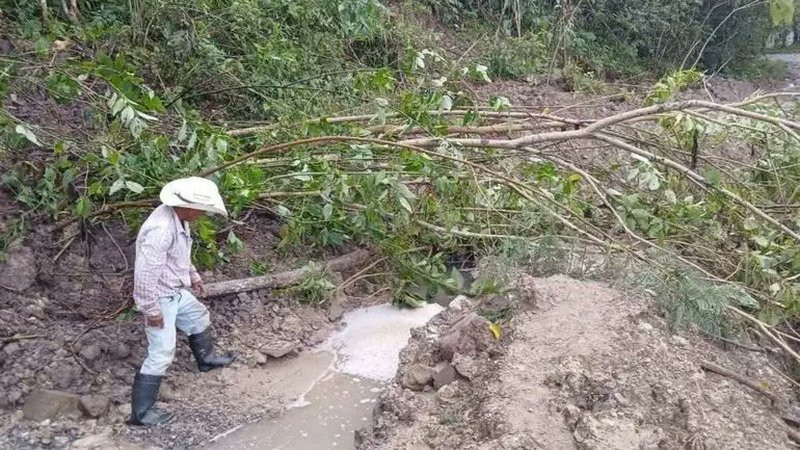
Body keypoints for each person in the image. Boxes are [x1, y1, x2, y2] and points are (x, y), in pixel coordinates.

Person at [129, 177, 235, 426]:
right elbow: (144, 275)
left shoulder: (179, 219)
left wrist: (193, 275)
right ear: (187, 206)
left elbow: (180, 255)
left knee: (198, 316)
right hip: (160, 296)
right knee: (161, 352)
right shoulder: (161, 230)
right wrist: (152, 310)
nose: (202, 214)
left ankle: (206, 360)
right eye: (200, 209)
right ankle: (141, 414)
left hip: (175, 289)